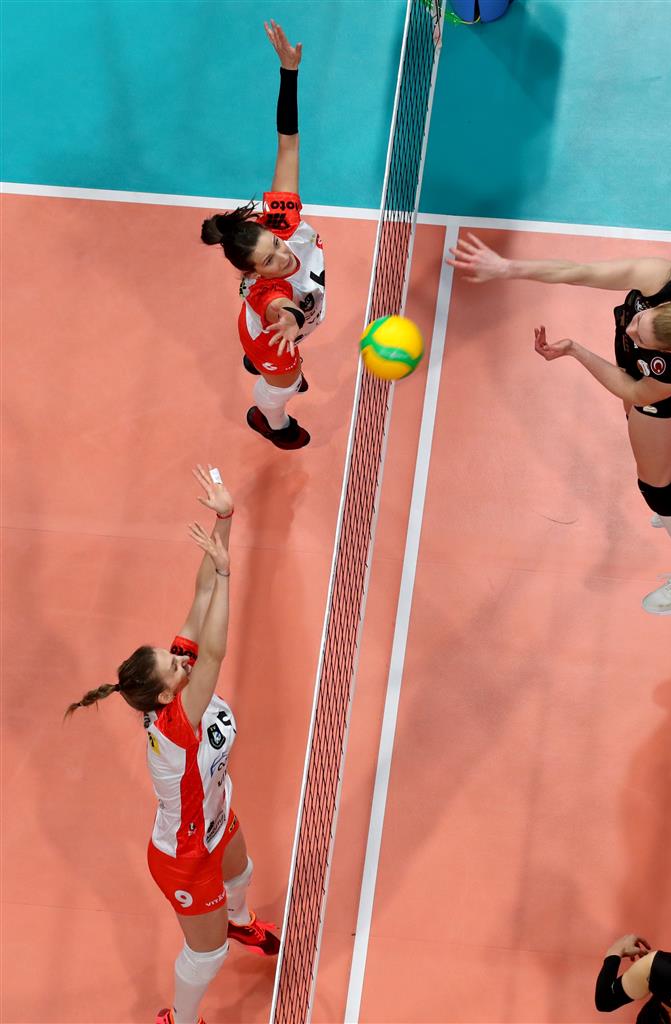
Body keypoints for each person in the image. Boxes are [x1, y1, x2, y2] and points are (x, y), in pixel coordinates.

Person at [65, 466, 278, 1024]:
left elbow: (202, 592)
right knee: (206, 956)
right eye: (176, 664)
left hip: (214, 814)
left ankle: (239, 921)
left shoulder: (173, 685)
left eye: (175, 654)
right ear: (166, 695)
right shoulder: (178, 724)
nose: (183, 657)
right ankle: (180, 1021)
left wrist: (224, 518)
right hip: (184, 859)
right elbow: (216, 651)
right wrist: (228, 574)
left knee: (242, 871)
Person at [447, 236, 671, 615]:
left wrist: (575, 350)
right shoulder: (662, 277)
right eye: (638, 321)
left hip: (661, 396)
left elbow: (633, 390)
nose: (632, 331)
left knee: (657, 487)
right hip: (640, 376)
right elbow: (579, 271)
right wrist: (506, 267)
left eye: (642, 338)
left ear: (668, 351)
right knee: (651, 436)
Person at [201, 21, 324, 451]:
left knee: (288, 363)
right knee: (284, 385)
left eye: (274, 244)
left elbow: (287, 143)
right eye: (270, 260)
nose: (282, 255)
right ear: (255, 274)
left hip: (286, 326)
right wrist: (290, 321)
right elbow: (280, 306)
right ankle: (269, 420)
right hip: (273, 338)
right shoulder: (266, 293)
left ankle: (262, 368)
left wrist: (289, 73)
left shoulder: (283, 223)